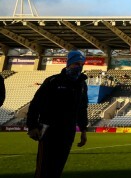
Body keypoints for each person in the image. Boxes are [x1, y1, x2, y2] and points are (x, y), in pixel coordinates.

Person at [27, 50, 88, 178]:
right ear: (69, 63)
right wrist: (32, 126)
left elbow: (82, 108)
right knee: (43, 169)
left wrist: (83, 130)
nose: (79, 67)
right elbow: (35, 104)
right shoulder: (52, 81)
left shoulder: (82, 84)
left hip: (68, 132)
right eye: (76, 63)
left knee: (58, 168)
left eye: (82, 64)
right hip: (49, 131)